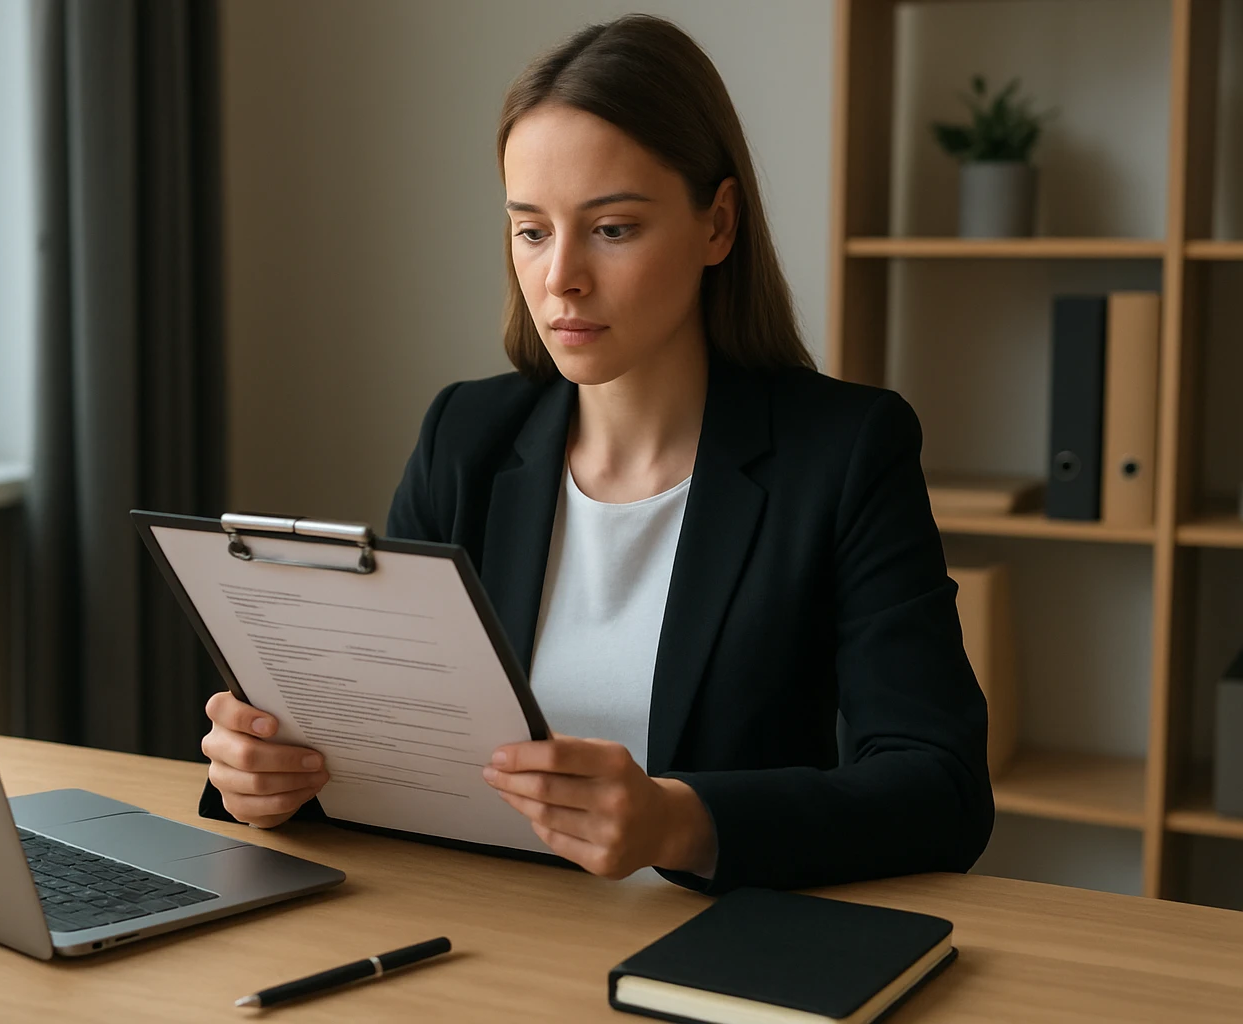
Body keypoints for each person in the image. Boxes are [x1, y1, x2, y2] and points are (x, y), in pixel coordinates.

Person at [198, 13, 993, 895]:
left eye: (611, 228)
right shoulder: (464, 436)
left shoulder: (845, 452)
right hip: (489, 931)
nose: (560, 278)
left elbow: (942, 789)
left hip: (709, 946)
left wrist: (679, 821)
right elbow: (391, 742)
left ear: (718, 224)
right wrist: (272, 777)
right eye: (532, 230)